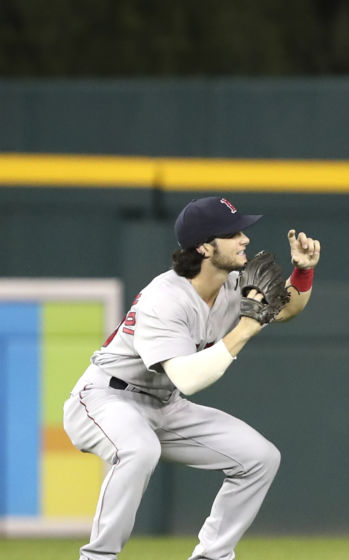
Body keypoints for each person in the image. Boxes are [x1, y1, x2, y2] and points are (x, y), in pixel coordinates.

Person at [63, 196, 321, 560]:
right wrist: (247, 327)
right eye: (232, 233)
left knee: (259, 457)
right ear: (203, 246)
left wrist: (303, 272)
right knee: (139, 450)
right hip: (106, 398)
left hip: (164, 404)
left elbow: (284, 309)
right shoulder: (164, 299)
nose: (245, 238)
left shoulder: (233, 284)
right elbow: (188, 378)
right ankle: (98, 557)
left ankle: (212, 556)